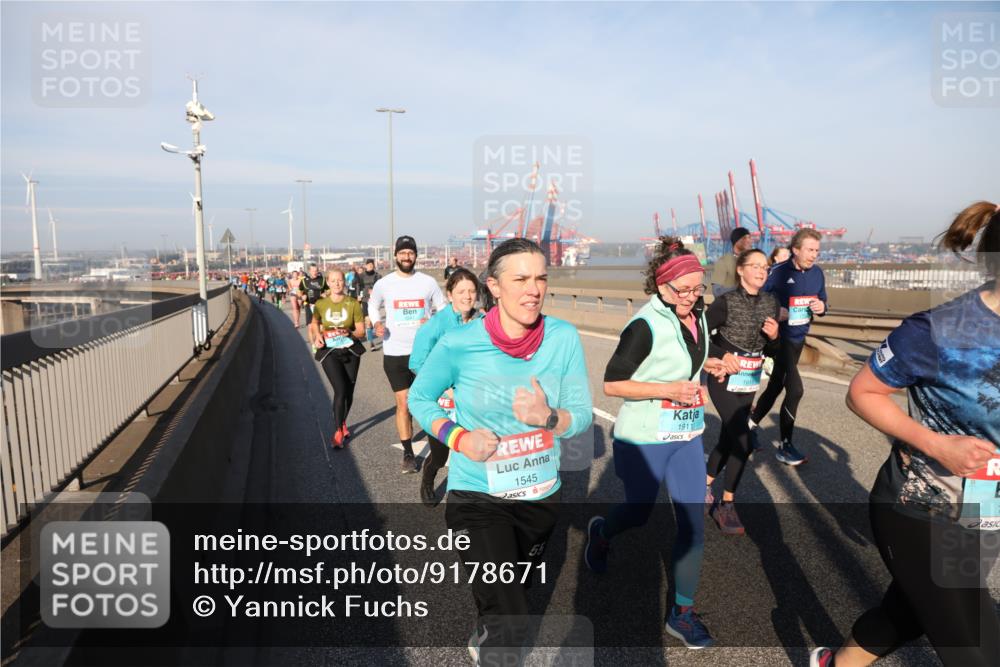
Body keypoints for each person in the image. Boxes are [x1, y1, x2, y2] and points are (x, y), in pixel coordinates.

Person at [810, 201, 1000, 667]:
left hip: (984, 508)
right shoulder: (939, 330)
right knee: (979, 651)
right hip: (923, 506)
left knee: (910, 612)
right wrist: (938, 445)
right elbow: (862, 392)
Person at [408, 238, 592, 663]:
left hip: (539, 495)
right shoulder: (459, 342)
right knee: (511, 622)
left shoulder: (562, 338)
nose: (534, 289)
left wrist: (550, 418)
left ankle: (488, 625)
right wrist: (459, 438)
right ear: (493, 286)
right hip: (477, 495)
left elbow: (582, 414)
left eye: (541, 278)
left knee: (511, 590)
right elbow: (420, 397)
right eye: (521, 279)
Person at [585, 236, 730, 649]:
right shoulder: (643, 326)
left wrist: (710, 362)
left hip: (686, 435)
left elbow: (688, 358)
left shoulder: (696, 313)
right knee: (638, 512)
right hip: (644, 437)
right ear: (662, 286)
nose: (691, 296)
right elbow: (612, 384)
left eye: (697, 288)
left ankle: (682, 614)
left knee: (693, 524)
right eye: (682, 290)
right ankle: (602, 533)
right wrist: (667, 388)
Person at [704, 248, 780, 534]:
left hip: (749, 381)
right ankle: (726, 505)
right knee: (743, 440)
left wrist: (775, 337)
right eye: (755, 266)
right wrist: (721, 355)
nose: (761, 271)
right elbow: (698, 337)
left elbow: (773, 350)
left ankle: (704, 485)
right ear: (740, 269)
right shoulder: (725, 302)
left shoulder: (772, 303)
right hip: (723, 378)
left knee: (728, 439)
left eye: (765, 267)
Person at [749, 228, 828, 465]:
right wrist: (775, 311)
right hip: (778, 341)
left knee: (775, 386)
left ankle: (748, 426)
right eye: (810, 250)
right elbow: (755, 301)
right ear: (795, 249)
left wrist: (822, 307)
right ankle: (785, 446)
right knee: (795, 390)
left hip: (798, 340)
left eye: (817, 251)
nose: (814, 255)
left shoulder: (818, 274)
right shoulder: (777, 272)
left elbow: (823, 300)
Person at [368, 236, 447, 473]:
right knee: (403, 404)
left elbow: (443, 308)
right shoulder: (384, 284)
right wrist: (376, 323)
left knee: (429, 401)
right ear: (395, 255)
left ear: (416, 256)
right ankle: (408, 454)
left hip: (425, 354)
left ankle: (439, 446)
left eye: (410, 253)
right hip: (395, 352)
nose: (406, 257)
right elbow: (373, 305)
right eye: (402, 253)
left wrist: (433, 320)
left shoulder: (428, 282)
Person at [409, 268, 483, 507]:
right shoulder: (437, 324)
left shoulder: (483, 321)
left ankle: (470, 495)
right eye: (461, 291)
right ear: (450, 295)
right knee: (440, 455)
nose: (467, 296)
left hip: (473, 399)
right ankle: (428, 479)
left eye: (471, 291)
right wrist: (443, 387)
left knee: (475, 450)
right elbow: (417, 362)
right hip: (444, 402)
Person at [309, 269, 366, 449]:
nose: (337, 284)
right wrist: (317, 335)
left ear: (344, 281)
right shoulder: (321, 304)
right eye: (333, 281)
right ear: (328, 282)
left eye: (340, 280)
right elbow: (314, 323)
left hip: (350, 350)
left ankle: (342, 422)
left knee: (349, 392)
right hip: (329, 351)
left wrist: (349, 332)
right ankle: (338, 431)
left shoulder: (353, 303)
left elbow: (361, 331)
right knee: (340, 389)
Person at [711, 227, 754, 297]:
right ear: (736, 241)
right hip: (731, 303)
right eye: (744, 238)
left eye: (749, 238)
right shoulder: (723, 262)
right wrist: (740, 286)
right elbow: (716, 292)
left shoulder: (754, 261)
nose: (749, 240)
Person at [357, 258, 381, 351]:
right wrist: (358, 295)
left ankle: (370, 334)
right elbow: (358, 286)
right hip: (365, 300)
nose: (370, 266)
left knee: (374, 320)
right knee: (368, 322)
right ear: (366, 266)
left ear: (374, 266)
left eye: (372, 265)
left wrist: (375, 291)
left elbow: (381, 287)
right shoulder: (361, 276)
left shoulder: (378, 276)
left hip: (374, 301)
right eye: (369, 265)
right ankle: (371, 343)